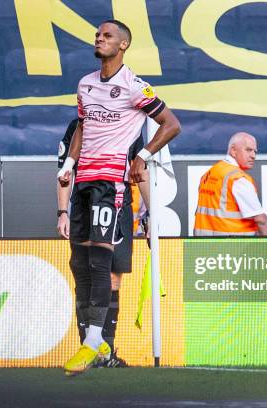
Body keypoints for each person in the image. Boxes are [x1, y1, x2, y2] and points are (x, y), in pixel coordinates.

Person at [57, 19, 181, 375]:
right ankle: (95, 341)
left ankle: (93, 341)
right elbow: (83, 125)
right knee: (78, 263)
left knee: (100, 260)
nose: (99, 38)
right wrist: (68, 163)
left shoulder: (134, 87)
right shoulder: (85, 84)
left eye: (107, 35)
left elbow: (172, 124)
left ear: (122, 45)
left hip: (110, 183)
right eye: (97, 34)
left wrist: (142, 156)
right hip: (82, 180)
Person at [57, 119, 149, 368]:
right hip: (85, 202)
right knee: (85, 273)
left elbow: (140, 171)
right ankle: (88, 347)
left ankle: (105, 352)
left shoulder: (130, 126)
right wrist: (62, 211)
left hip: (119, 204)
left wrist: (150, 214)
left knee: (113, 278)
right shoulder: (78, 125)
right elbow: (65, 170)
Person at [194, 132, 267, 236]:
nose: (253, 156)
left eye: (254, 151)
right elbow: (262, 222)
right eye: (248, 150)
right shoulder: (238, 180)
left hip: (203, 247)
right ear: (233, 151)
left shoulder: (209, 174)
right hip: (233, 248)